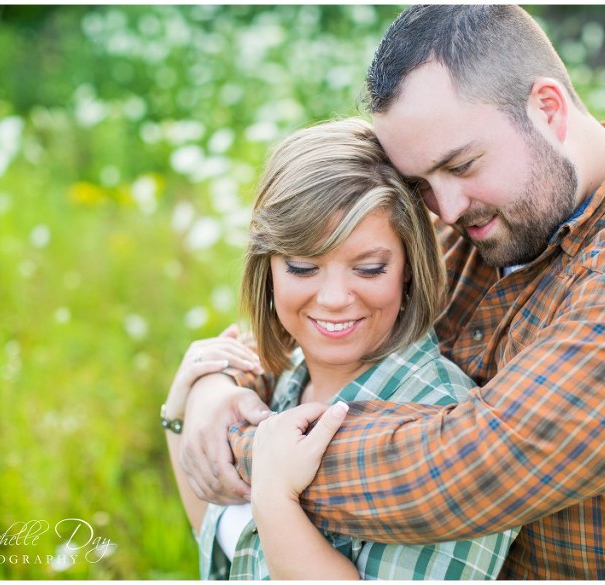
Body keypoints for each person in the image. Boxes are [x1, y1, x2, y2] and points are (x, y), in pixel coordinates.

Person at [177, 5, 605, 579]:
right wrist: (211, 384)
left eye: (461, 166)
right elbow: (320, 320)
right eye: (421, 183)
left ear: (547, 108)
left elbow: (458, 473)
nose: (446, 207)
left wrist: (249, 448)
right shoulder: (480, 216)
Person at [163, 117, 518, 580]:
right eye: (303, 267)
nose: (333, 298)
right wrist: (183, 407)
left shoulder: (443, 421)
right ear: (267, 267)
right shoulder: (290, 375)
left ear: (409, 266)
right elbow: (221, 553)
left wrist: (275, 498)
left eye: (368, 268)